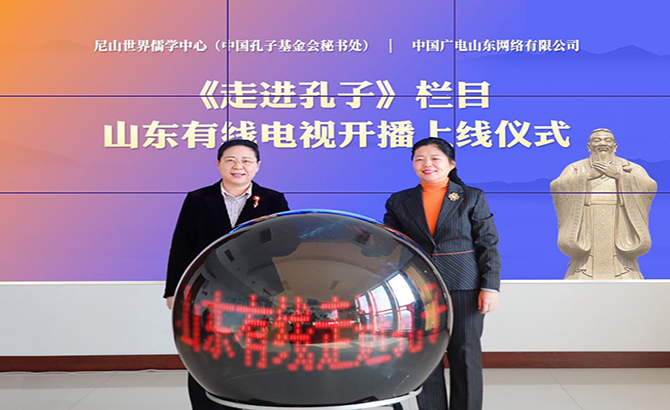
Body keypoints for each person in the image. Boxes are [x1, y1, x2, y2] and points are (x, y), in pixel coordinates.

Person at [164, 139, 289, 410]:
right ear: (218, 164)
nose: (238, 166)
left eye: (246, 161)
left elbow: (286, 246)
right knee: (203, 352)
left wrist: (280, 235)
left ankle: (254, 403)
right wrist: (173, 290)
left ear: (257, 166)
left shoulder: (273, 199)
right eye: (230, 160)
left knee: (256, 351)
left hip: (258, 290)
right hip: (207, 288)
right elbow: (182, 244)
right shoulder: (198, 199)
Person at [384, 137, 501, 410]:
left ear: (451, 164)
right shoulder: (400, 200)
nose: (427, 164)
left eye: (435, 158)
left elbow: (488, 244)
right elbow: (391, 244)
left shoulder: (471, 196)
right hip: (419, 288)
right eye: (419, 159)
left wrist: (490, 287)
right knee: (426, 354)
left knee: (465, 352)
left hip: (465, 285)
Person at [551, 128, 656, 279]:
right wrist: (585, 177)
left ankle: (623, 270)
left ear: (615, 146)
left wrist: (620, 176)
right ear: (589, 146)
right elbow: (558, 187)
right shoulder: (576, 168)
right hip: (587, 220)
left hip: (619, 220)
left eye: (607, 140)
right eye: (597, 140)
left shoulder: (630, 168)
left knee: (624, 271)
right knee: (584, 270)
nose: (602, 143)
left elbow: (649, 186)